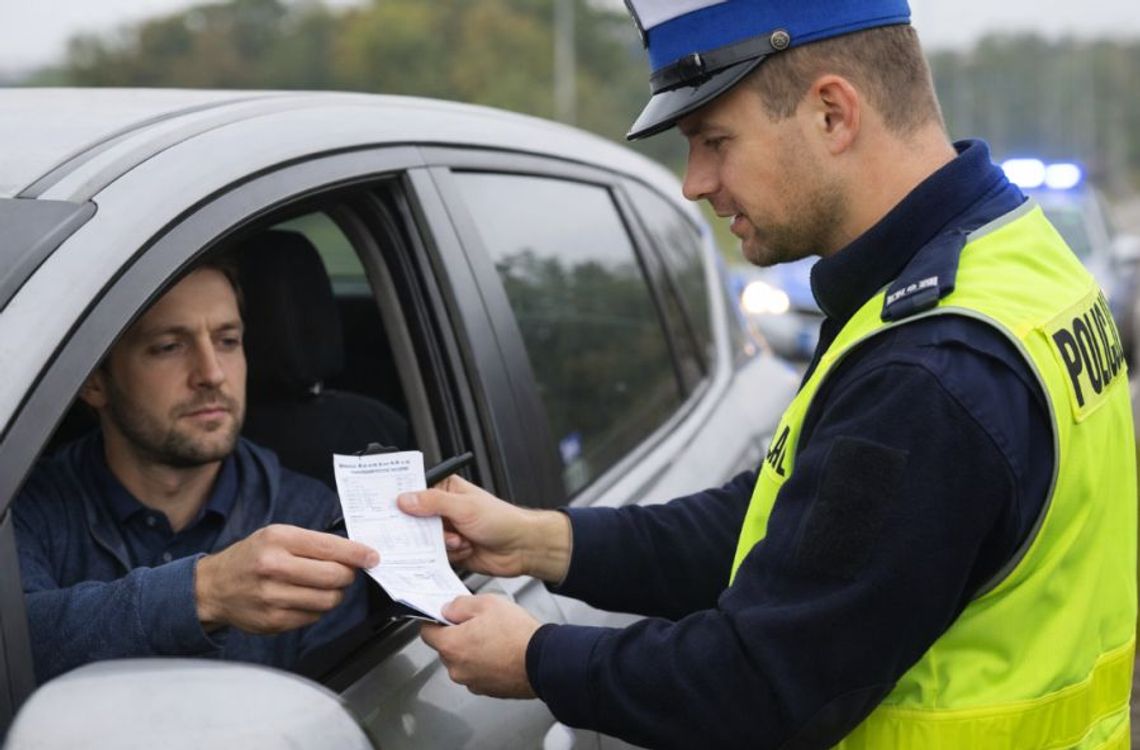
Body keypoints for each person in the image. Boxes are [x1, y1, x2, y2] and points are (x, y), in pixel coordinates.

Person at [398, 1, 1137, 747]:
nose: (694, 182)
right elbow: (805, 533)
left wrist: (537, 659)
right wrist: (541, 541)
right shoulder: (1007, 256)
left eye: (715, 140)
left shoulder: (929, 371)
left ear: (831, 114)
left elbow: (760, 684)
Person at [13, 258, 379, 683]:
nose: (212, 374)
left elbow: (332, 717)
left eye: (227, 340)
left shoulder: (313, 518)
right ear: (94, 380)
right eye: (170, 346)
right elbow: (14, 648)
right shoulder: (24, 504)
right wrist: (204, 592)